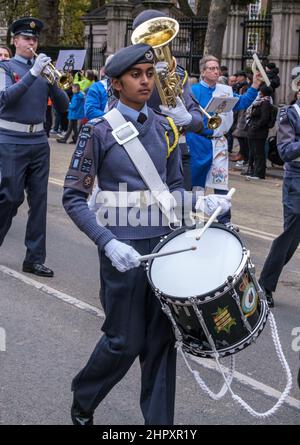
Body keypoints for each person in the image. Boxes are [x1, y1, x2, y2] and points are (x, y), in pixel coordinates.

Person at [62, 43, 231, 425]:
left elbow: (171, 188)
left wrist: (199, 203)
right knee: (124, 341)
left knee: (161, 344)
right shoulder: (98, 131)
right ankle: (83, 398)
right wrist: (107, 242)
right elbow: (73, 198)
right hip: (122, 251)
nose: (144, 81)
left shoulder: (165, 127)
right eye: (135, 75)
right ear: (117, 83)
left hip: (164, 250)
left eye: (149, 74)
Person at [0, 17, 69, 277]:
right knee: (10, 196)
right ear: (15, 41)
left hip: (39, 142)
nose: (32, 42)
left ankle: (34, 258)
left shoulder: (44, 71)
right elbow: (5, 99)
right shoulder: (6, 67)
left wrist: (54, 81)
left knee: (39, 202)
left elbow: (63, 106)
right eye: (27, 38)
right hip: (11, 141)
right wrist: (33, 73)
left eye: (34, 39)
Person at [130, 9, 204, 191]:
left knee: (181, 212)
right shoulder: (126, 72)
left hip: (177, 150)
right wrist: (154, 79)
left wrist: (187, 119)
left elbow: (197, 116)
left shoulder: (179, 73)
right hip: (143, 150)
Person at [186, 55, 263, 226]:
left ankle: (224, 219)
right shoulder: (193, 91)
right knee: (197, 182)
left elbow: (241, 103)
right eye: (211, 68)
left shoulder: (225, 90)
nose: (215, 71)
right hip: (199, 140)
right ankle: (189, 215)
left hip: (219, 142)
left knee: (221, 181)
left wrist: (255, 85)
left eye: (217, 68)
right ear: (203, 72)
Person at [259, 89, 300, 308]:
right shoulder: (290, 114)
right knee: (290, 237)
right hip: (297, 179)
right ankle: (265, 283)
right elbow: (284, 150)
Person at [245, 84, 273, 180]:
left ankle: (259, 173)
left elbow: (264, 118)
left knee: (259, 153)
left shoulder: (265, 103)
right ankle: (254, 171)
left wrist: (255, 126)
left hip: (259, 132)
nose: (259, 92)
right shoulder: (260, 102)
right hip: (254, 131)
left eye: (260, 91)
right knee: (254, 151)